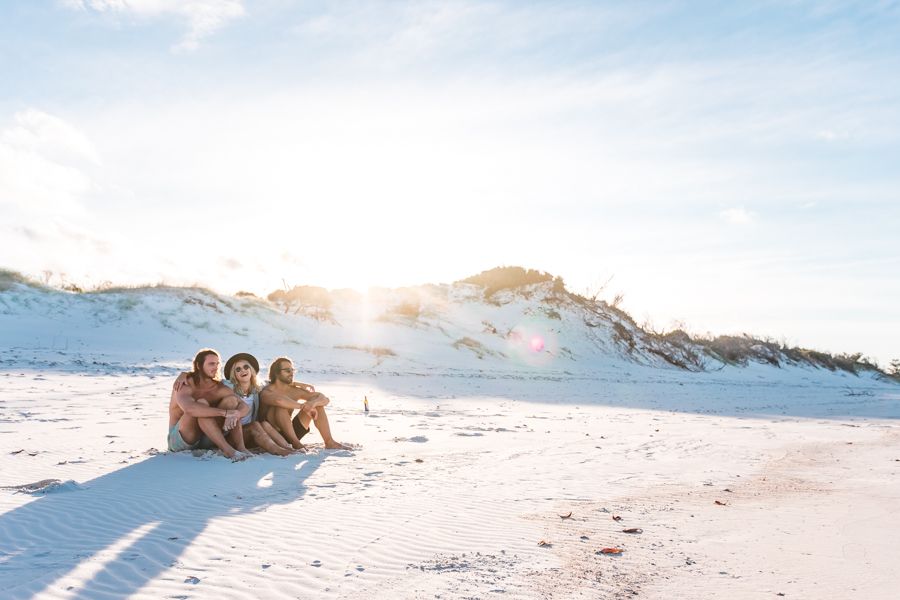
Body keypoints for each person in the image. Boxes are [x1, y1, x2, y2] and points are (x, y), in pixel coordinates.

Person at [168, 348, 251, 460]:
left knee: (231, 400)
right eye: (211, 364)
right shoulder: (185, 383)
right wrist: (225, 413)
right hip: (182, 439)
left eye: (218, 364)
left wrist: (236, 413)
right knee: (201, 404)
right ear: (198, 365)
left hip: (206, 438)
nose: (216, 367)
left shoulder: (219, 387)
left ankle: (241, 447)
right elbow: (190, 409)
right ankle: (228, 450)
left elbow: (244, 406)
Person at [260, 356, 351, 450]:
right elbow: (279, 400)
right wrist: (304, 406)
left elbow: (324, 399)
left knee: (317, 405)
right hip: (273, 436)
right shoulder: (267, 391)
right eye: (287, 370)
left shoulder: (294, 390)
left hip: (292, 433)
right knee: (280, 408)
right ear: (276, 373)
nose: (291, 373)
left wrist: (313, 404)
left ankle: (329, 442)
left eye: (292, 370)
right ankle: (297, 444)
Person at [220, 352, 295, 456]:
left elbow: (275, 383)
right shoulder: (228, 387)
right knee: (255, 425)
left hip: (249, 435)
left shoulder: (257, 388)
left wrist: (300, 384)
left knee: (264, 424)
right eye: (238, 369)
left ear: (251, 369)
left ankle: (287, 447)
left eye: (246, 367)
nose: (243, 370)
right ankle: (277, 450)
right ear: (234, 374)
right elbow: (217, 383)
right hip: (230, 436)